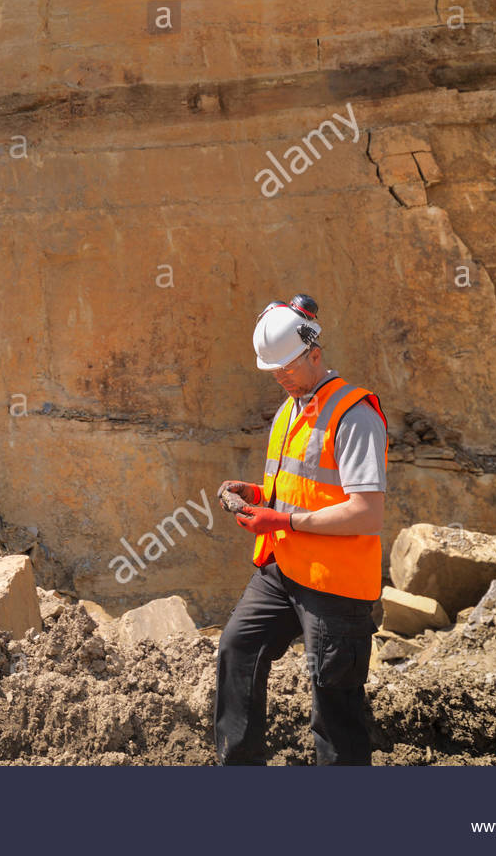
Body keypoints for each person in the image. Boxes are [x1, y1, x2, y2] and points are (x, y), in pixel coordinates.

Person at [213, 294, 388, 766]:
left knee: (333, 705)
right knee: (238, 647)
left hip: (335, 583)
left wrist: (283, 520)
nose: (280, 376)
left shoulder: (354, 415)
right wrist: (259, 496)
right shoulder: (292, 408)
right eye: (272, 370)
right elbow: (304, 487)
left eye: (287, 366)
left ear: (315, 353)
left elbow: (368, 513)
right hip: (284, 568)